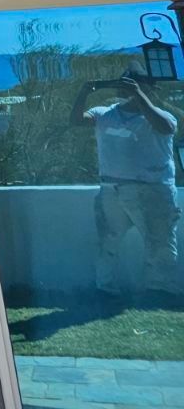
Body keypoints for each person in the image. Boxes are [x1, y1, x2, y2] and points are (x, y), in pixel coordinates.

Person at [70, 66, 181, 296]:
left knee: (159, 243)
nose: (126, 89)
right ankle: (105, 287)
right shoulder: (105, 113)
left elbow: (166, 127)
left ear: (149, 88)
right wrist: (83, 92)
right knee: (107, 241)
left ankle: (160, 289)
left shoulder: (161, 115)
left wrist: (139, 96)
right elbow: (77, 121)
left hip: (153, 190)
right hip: (112, 189)